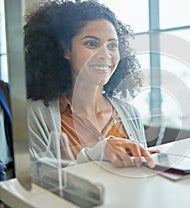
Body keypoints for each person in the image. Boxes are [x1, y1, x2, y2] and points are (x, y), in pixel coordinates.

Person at [24, 0, 158, 168]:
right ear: (66, 49)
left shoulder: (130, 113)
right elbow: (39, 183)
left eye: (112, 45)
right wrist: (99, 152)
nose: (105, 55)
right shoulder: (36, 114)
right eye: (91, 43)